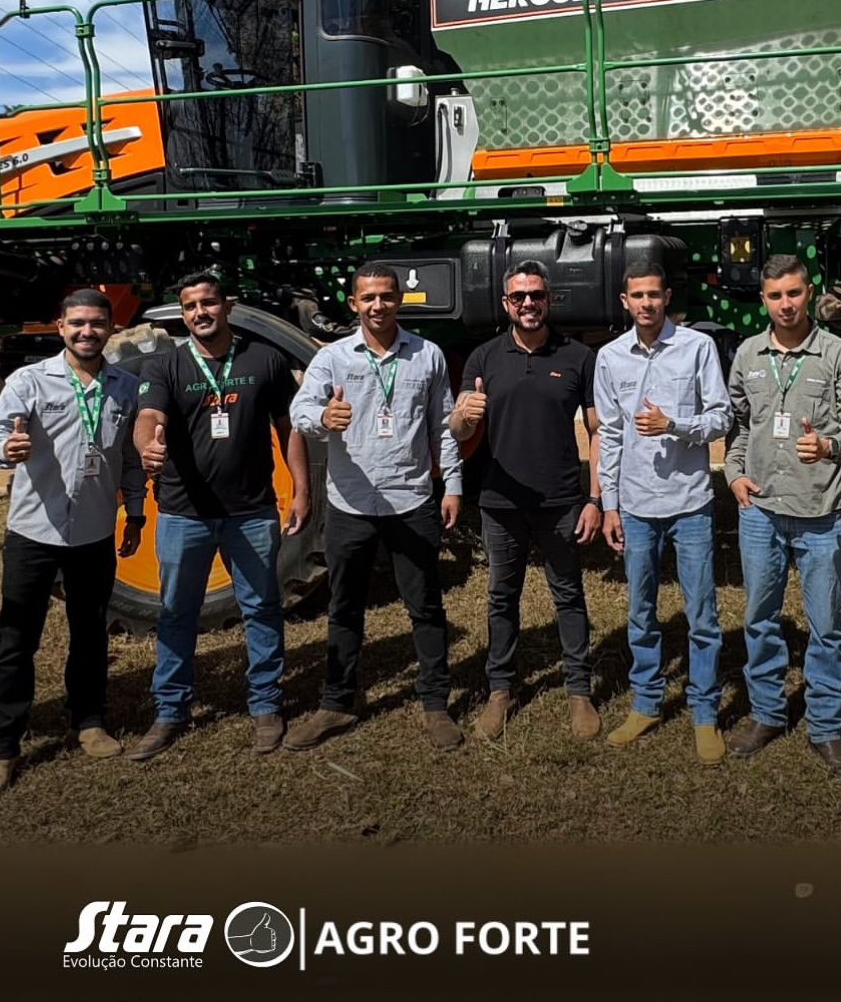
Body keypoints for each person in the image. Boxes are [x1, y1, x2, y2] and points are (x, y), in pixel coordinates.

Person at [0, 289, 146, 801]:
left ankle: (89, 721)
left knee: (90, 632)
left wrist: (136, 512)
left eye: (96, 323)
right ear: (60, 326)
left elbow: (130, 460)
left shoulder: (125, 387)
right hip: (33, 533)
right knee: (16, 640)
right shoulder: (29, 381)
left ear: (111, 328)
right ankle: (2, 747)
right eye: (77, 323)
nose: (86, 331)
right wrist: (6, 448)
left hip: (93, 532)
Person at [286, 263, 465, 752]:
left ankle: (435, 703)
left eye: (386, 296)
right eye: (368, 298)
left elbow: (443, 425)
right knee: (344, 607)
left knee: (425, 606)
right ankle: (336, 703)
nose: (378, 305)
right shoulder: (333, 358)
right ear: (353, 304)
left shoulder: (427, 355)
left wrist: (452, 486)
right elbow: (300, 412)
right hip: (351, 504)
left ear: (398, 300)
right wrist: (324, 416)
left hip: (411, 500)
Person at [130, 273, 310, 757]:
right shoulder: (164, 364)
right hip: (183, 514)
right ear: (182, 313)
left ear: (226, 306)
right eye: (190, 306)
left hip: (251, 511)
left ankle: (266, 704)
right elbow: (148, 416)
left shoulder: (265, 359)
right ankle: (169, 710)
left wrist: (301, 489)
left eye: (208, 303)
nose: (200, 313)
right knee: (176, 612)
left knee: (262, 608)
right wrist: (147, 446)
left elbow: (289, 427)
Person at [724, 254, 841, 778]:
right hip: (760, 511)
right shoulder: (747, 354)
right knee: (759, 619)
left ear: (810, 293)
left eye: (794, 293)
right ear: (763, 299)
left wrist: (830, 446)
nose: (785, 304)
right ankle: (767, 713)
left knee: (826, 626)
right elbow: (740, 424)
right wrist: (733, 474)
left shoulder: (840, 355)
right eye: (775, 295)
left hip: (819, 511)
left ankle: (825, 727)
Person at [449, 260, 602, 742]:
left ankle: (578, 690)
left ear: (549, 300)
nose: (528, 303)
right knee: (501, 595)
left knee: (568, 593)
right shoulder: (483, 358)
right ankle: (500, 690)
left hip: (561, 499)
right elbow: (458, 431)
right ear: (506, 304)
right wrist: (464, 416)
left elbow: (597, 431)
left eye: (536, 294)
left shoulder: (578, 357)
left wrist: (595, 498)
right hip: (500, 499)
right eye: (519, 296)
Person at [594, 263, 734, 764]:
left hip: (689, 502)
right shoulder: (609, 357)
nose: (647, 303)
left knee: (702, 614)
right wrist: (609, 505)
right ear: (624, 301)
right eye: (638, 296)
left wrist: (673, 424)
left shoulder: (697, 347)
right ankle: (647, 703)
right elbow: (609, 434)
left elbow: (721, 416)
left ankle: (704, 712)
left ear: (667, 297)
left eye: (654, 294)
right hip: (635, 505)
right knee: (640, 611)